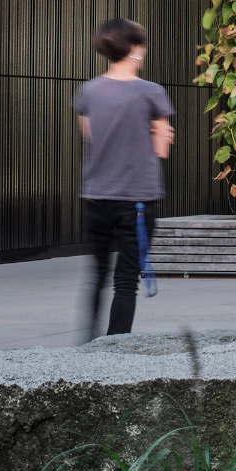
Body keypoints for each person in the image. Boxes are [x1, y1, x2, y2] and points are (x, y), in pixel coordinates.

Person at [74, 18, 175, 339]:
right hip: (138, 199)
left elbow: (91, 134)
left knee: (97, 274)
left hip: (97, 196)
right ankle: (116, 350)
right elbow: (161, 150)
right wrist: (160, 134)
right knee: (126, 279)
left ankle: (87, 342)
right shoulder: (152, 93)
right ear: (133, 49)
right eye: (141, 44)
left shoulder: (88, 91)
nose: (143, 50)